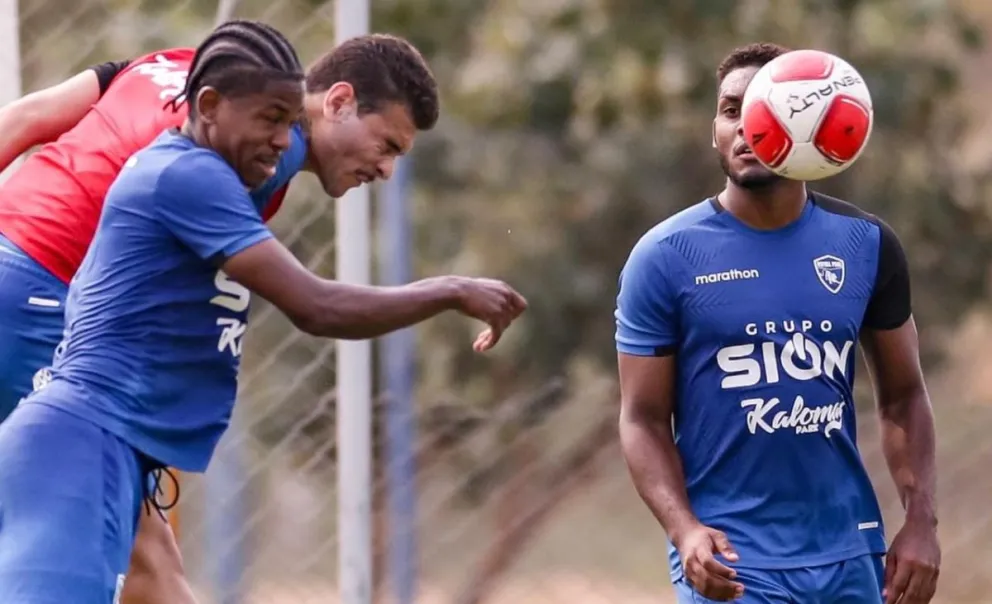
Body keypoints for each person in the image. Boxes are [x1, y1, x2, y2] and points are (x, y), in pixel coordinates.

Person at [0, 20, 525, 604]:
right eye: (387, 145)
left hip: (15, 263)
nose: (386, 170)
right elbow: (314, 305)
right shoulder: (239, 163)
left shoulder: (174, 64)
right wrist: (450, 291)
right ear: (340, 100)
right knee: (136, 552)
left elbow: (23, 119)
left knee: (146, 556)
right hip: (41, 294)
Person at [614, 42, 940, 604]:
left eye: (763, 109)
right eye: (729, 110)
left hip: (850, 555)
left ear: (809, 124)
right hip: (734, 563)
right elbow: (642, 419)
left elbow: (904, 395)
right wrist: (683, 529)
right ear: (712, 129)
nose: (744, 127)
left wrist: (921, 522)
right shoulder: (664, 256)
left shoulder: (866, 245)